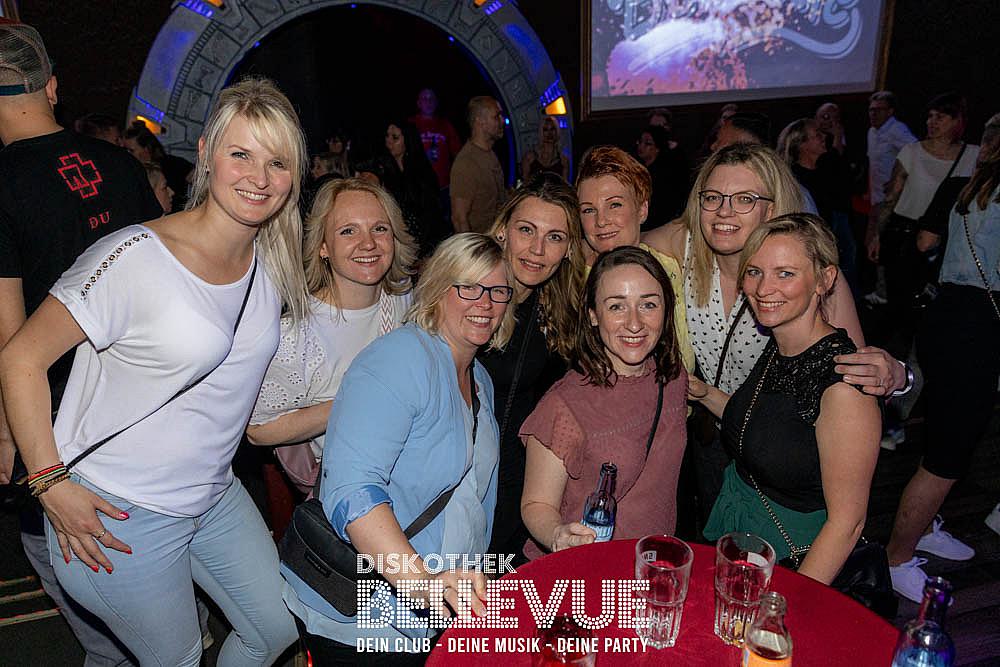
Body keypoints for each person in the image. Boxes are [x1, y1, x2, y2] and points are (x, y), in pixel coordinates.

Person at [0, 76, 306, 666]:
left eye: (278, 162)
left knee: (274, 630)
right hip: (120, 511)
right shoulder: (135, 257)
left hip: (212, 495)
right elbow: (20, 358)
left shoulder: (272, 258)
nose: (259, 177)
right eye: (241, 154)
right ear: (208, 154)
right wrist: (49, 484)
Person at [0, 22, 163, 667]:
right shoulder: (121, 165)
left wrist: (9, 436)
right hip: (146, 408)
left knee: (82, 591)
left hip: (59, 430)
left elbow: (11, 336)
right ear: (52, 87)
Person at [641, 143, 908, 525]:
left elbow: (858, 373)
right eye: (712, 197)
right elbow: (618, 240)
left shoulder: (804, 272)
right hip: (711, 434)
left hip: (782, 452)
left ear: (770, 208)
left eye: (744, 199)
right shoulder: (685, 244)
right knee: (720, 535)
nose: (724, 211)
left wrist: (899, 375)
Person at [283, 233, 515, 664]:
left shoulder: (479, 378)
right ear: (438, 288)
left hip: (444, 607)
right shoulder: (399, 358)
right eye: (469, 287)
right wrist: (422, 583)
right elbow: (352, 490)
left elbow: (472, 500)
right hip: (367, 616)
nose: (485, 303)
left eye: (498, 291)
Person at [696, 213, 880, 584]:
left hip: (795, 559)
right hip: (745, 536)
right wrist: (702, 392)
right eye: (755, 272)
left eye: (785, 273)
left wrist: (784, 605)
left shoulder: (844, 386)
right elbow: (767, 427)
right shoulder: (781, 344)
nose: (764, 289)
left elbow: (847, 523)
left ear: (824, 280)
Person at [885, 112, 1000, 603]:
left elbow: (925, 242)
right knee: (948, 454)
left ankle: (925, 528)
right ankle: (896, 559)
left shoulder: (962, 186)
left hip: (945, 315)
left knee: (941, 435)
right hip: (977, 326)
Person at [247, 177, 417, 494]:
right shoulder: (297, 334)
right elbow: (257, 430)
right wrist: (353, 401)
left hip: (417, 471)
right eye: (348, 231)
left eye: (379, 228)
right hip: (354, 489)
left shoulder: (404, 298)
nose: (368, 243)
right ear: (323, 246)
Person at [520, 246, 687, 556]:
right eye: (616, 307)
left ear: (666, 310)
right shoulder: (564, 405)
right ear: (593, 315)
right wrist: (558, 534)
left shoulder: (673, 377)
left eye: (648, 305)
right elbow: (536, 503)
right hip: (586, 566)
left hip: (652, 562)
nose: (634, 323)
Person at [479, 172, 586, 561]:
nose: (537, 249)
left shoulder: (559, 312)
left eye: (554, 237)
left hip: (514, 490)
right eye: (526, 230)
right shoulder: (469, 296)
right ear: (502, 231)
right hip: (456, 485)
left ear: (569, 249)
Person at [866, 92, 980, 358]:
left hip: (946, 242)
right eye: (930, 116)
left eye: (940, 117)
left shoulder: (972, 156)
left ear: (957, 121)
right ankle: (892, 362)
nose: (932, 122)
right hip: (903, 235)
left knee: (930, 309)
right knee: (900, 308)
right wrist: (877, 235)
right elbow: (891, 198)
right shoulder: (912, 152)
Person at [574, 145, 695, 374]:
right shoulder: (571, 277)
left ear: (642, 210)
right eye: (589, 210)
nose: (601, 221)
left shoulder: (670, 262)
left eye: (615, 205)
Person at [777, 118, 858, 292]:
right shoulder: (794, 181)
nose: (824, 137)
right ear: (802, 145)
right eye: (817, 134)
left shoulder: (825, 169)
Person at [864, 90, 917, 307]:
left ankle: (885, 293)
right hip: (876, 198)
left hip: (893, 200)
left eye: (878, 110)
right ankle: (881, 290)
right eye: (871, 110)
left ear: (890, 111)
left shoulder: (897, 130)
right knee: (872, 243)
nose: (873, 114)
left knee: (883, 244)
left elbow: (916, 152)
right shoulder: (872, 132)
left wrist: (898, 179)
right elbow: (873, 165)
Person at [381, 119, 448, 256]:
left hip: (425, 241)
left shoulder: (422, 172)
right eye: (387, 136)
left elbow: (431, 213)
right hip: (398, 242)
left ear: (408, 140)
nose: (389, 141)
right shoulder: (384, 170)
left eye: (395, 137)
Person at [450, 95, 505, 233]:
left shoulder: (489, 154)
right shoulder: (466, 162)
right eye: (496, 117)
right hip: (481, 242)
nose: (502, 121)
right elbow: (459, 219)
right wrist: (473, 247)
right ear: (480, 122)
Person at [123, 120, 194, 212]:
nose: (127, 154)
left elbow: (199, 178)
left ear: (146, 148)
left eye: (131, 150)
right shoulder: (131, 172)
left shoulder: (173, 164)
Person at [635, 124, 689, 230]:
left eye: (647, 143)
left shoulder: (664, 174)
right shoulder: (639, 168)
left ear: (657, 148)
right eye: (640, 142)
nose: (641, 146)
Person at [411, 88, 462, 192]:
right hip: (418, 186)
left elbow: (458, 154)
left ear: (436, 103)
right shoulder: (410, 124)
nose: (429, 102)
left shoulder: (446, 125)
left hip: (444, 186)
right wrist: (423, 156)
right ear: (418, 103)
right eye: (424, 98)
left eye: (432, 98)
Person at [520, 115, 569, 182]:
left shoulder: (563, 161)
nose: (550, 133)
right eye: (545, 130)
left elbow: (565, 186)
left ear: (557, 131)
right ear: (541, 132)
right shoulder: (529, 158)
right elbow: (524, 184)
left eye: (552, 129)